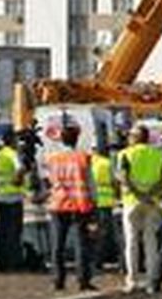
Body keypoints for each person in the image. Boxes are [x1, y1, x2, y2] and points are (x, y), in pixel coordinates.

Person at [44, 121, 97, 290]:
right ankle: (83, 280)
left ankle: (58, 280)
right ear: (77, 139)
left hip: (58, 204)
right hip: (79, 204)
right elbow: (90, 182)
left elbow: (49, 181)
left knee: (57, 245)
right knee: (81, 244)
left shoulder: (53, 158)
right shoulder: (83, 157)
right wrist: (94, 203)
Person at [117, 125, 162, 294]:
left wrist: (138, 194)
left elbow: (124, 178)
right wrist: (149, 194)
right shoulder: (159, 155)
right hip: (152, 202)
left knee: (131, 242)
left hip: (131, 201)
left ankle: (132, 280)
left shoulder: (125, 154)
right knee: (151, 242)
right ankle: (151, 281)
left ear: (135, 137)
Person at [0, 129, 26, 272]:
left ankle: (2, 262)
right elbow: (20, 169)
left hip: (0, 196)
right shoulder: (13, 154)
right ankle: (14, 262)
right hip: (14, 197)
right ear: (12, 141)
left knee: (3, 231)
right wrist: (18, 181)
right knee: (14, 231)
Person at [89, 138, 121, 271]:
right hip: (105, 202)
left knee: (92, 232)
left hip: (90, 201)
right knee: (103, 233)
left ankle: (93, 259)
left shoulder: (88, 162)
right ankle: (99, 260)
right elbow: (115, 182)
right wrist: (119, 196)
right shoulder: (107, 163)